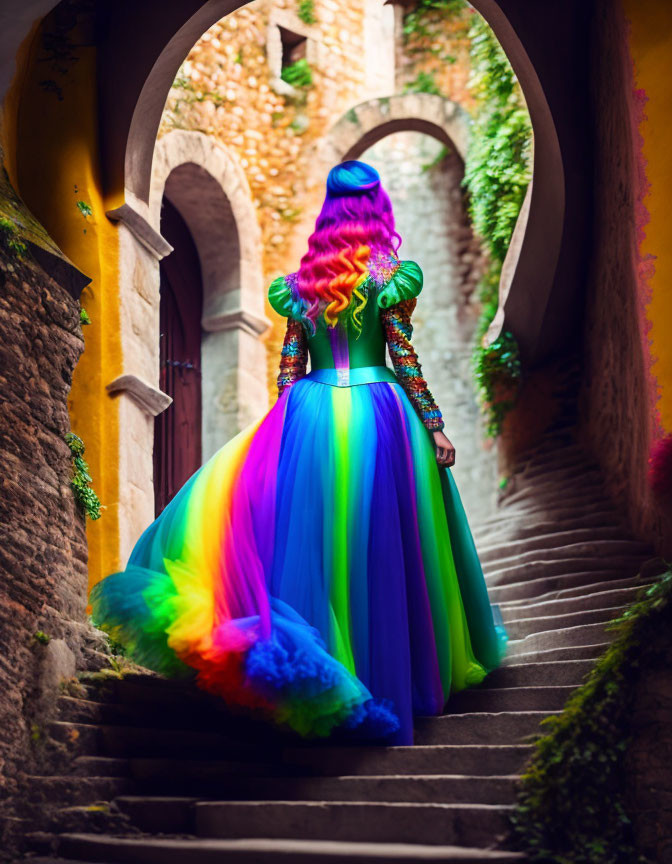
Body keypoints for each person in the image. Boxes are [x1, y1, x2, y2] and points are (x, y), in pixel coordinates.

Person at [90, 160, 507, 746]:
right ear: (375, 208)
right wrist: (433, 424)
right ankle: (393, 674)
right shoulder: (387, 272)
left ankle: (326, 674)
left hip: (310, 414)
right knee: (379, 543)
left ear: (328, 212)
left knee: (314, 546)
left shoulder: (303, 283)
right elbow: (404, 357)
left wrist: (283, 430)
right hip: (377, 412)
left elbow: (289, 369)